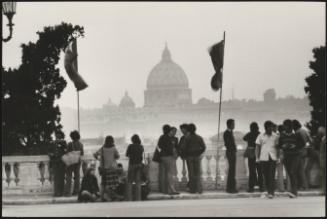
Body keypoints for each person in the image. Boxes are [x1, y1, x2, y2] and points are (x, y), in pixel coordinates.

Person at [278, 119, 303, 198]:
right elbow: (279, 145)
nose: (287, 128)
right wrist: (283, 146)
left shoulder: (297, 135)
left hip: (295, 155)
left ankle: (294, 192)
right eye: (286, 126)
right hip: (286, 156)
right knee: (290, 173)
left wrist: (294, 146)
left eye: (288, 126)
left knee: (293, 172)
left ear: (291, 127)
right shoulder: (282, 135)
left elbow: (302, 144)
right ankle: (293, 192)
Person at [93, 135, 123, 201]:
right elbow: (117, 156)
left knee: (104, 183)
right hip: (112, 168)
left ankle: (103, 197)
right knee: (113, 184)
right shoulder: (113, 148)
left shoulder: (102, 148)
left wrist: (99, 159)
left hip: (104, 169)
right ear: (112, 141)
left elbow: (94, 154)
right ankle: (112, 196)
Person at [255, 121, 279, 199]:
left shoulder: (275, 136)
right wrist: (257, 157)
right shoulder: (260, 136)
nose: (271, 128)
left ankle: (271, 192)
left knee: (272, 175)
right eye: (269, 127)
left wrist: (278, 157)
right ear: (266, 128)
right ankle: (268, 190)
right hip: (263, 158)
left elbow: (278, 148)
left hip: (273, 157)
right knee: (265, 175)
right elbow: (257, 147)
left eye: (272, 127)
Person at [183, 123, 206, 194]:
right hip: (197, 157)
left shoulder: (187, 138)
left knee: (191, 174)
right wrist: (199, 153)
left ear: (189, 130)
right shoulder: (199, 137)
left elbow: (183, 148)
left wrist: (186, 154)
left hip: (189, 157)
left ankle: (192, 190)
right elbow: (204, 147)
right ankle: (199, 189)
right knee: (198, 173)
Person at [158, 124, 179, 195]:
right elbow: (171, 149)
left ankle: (165, 190)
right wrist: (174, 154)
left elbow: (159, 146)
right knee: (170, 173)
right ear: (169, 130)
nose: (173, 132)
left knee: (164, 173)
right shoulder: (169, 138)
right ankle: (171, 190)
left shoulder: (162, 137)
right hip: (169, 157)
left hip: (162, 157)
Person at [243, 122, 263, 192]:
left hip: (251, 154)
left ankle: (251, 188)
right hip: (258, 154)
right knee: (260, 171)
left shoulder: (249, 134)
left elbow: (244, 138)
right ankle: (262, 187)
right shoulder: (260, 134)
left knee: (252, 171)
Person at [292, 120, 311, 190]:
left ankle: (304, 186)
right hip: (304, 151)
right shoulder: (303, 130)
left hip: (301, 152)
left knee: (300, 170)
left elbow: (303, 142)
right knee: (301, 169)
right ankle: (304, 186)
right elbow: (309, 141)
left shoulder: (299, 132)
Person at [65, 130, 84, 196]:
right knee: (77, 177)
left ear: (72, 137)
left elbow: (67, 152)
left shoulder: (70, 144)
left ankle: (68, 192)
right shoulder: (81, 144)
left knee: (69, 177)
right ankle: (76, 191)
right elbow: (82, 153)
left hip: (71, 161)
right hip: (78, 161)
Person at [125, 134, 144, 201]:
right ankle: (138, 199)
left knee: (129, 182)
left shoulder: (130, 146)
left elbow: (127, 155)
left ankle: (129, 199)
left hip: (132, 165)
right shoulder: (141, 146)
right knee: (138, 182)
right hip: (139, 164)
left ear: (132, 140)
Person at [48, 132, 67, 197]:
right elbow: (49, 152)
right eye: (57, 135)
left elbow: (66, 151)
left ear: (61, 136)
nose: (57, 136)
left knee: (61, 177)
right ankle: (56, 192)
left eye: (59, 135)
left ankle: (61, 192)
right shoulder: (52, 143)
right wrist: (51, 154)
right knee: (56, 178)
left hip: (62, 162)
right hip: (55, 162)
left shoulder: (63, 142)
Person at [223, 119, 238, 193]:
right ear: (229, 125)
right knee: (232, 171)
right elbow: (228, 144)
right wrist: (233, 151)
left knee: (232, 171)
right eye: (233, 124)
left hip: (231, 153)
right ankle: (230, 188)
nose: (234, 125)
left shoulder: (229, 132)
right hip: (231, 153)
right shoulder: (227, 133)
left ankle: (231, 188)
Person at [178, 123, 191, 190]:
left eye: (183, 130)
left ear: (186, 129)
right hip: (187, 157)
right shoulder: (182, 138)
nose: (182, 131)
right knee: (190, 171)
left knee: (192, 172)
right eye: (181, 130)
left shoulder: (190, 136)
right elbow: (179, 147)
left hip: (191, 156)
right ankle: (190, 185)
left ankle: (190, 185)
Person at [318, 127, 326, 195]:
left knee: (323, 176)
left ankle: (324, 190)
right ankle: (324, 190)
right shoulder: (324, 139)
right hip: (324, 160)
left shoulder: (323, 139)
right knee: (323, 176)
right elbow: (321, 152)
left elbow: (321, 152)